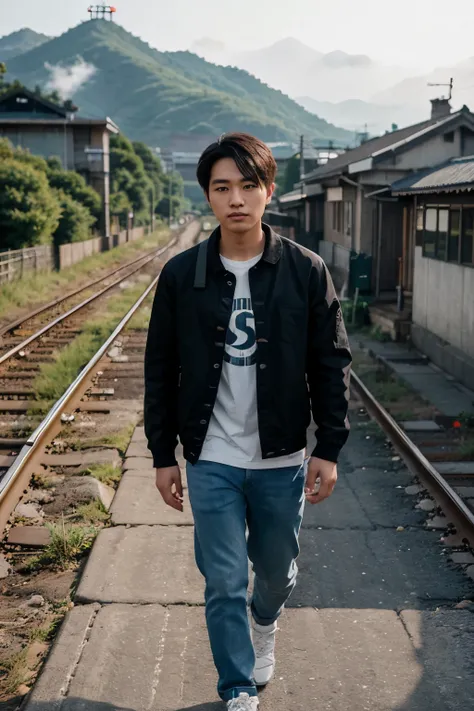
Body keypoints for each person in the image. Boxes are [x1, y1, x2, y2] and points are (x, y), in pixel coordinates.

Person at [144, 133, 352, 710]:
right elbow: (158, 367)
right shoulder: (182, 276)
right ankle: (236, 686)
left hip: (281, 455)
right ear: (208, 197)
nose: (236, 198)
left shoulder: (305, 272)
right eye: (222, 187)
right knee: (223, 580)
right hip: (210, 455)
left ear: (268, 191)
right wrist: (163, 455)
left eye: (248, 185)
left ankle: (266, 622)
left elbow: (331, 362)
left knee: (274, 574)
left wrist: (329, 447)